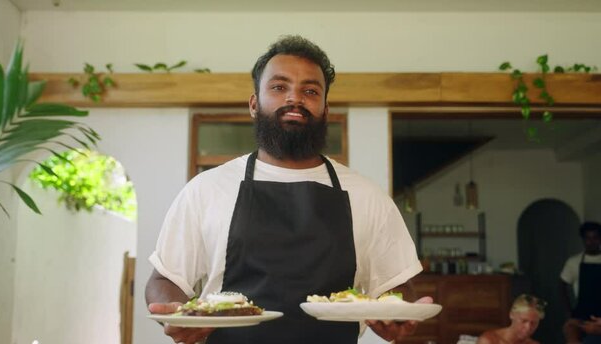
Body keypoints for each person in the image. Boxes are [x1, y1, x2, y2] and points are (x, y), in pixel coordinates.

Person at [144, 35, 428, 344]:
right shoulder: (207, 190)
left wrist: (397, 312)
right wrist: (176, 311)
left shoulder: (367, 196)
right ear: (255, 104)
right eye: (279, 87)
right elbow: (165, 279)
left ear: (325, 108)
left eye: (310, 90)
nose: (295, 99)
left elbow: (398, 284)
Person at [561, 221, 601, 344]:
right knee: (571, 335)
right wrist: (569, 312)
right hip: (581, 315)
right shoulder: (573, 262)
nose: (591, 242)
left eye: (595, 238)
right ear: (583, 240)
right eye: (588, 238)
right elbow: (562, 285)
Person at [477, 294, 546, 344]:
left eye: (533, 323)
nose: (528, 327)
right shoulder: (490, 340)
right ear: (511, 315)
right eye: (523, 321)